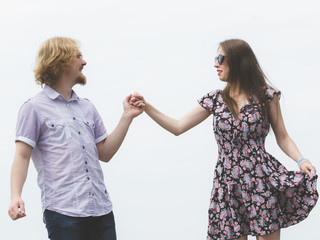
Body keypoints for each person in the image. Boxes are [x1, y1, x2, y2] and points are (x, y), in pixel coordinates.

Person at [130, 39, 318, 240]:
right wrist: (146, 106)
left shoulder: (266, 96)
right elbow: (178, 126)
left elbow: (283, 137)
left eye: (220, 58)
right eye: (215, 58)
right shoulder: (215, 100)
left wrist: (301, 160)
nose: (215, 64)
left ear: (239, 61)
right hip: (227, 184)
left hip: (261, 181)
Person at [8, 37, 143, 240]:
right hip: (63, 212)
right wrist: (16, 196)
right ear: (60, 61)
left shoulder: (88, 107)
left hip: (101, 210)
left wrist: (127, 117)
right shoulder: (33, 107)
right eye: (78, 56)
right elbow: (22, 156)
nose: (84, 62)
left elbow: (104, 153)